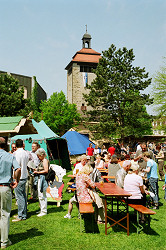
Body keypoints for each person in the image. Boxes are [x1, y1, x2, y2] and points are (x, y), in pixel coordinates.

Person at [0, 137, 21, 248]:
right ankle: (4, 241)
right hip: (4, 187)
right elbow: (18, 169)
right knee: (4, 214)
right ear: (5, 145)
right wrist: (16, 180)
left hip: (4, 185)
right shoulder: (10, 156)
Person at [12, 139, 29, 222]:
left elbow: (17, 168)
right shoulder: (25, 152)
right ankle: (24, 214)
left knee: (19, 197)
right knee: (23, 196)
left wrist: (15, 178)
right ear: (22, 144)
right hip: (25, 175)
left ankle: (21, 215)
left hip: (20, 177)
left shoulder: (17, 153)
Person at [33, 148, 49, 216]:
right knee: (40, 195)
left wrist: (38, 172)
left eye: (38, 156)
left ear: (42, 155)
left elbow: (46, 170)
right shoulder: (42, 160)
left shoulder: (44, 160)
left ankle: (44, 211)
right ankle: (42, 209)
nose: (38, 157)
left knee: (42, 195)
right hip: (40, 178)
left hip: (42, 179)